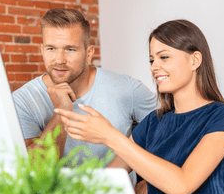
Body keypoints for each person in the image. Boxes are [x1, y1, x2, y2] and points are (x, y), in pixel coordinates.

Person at [54, 19, 224, 194]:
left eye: (164, 57)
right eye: (151, 60)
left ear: (195, 60)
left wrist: (109, 136)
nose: (154, 67)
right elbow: (107, 181)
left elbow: (181, 186)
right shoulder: (153, 122)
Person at [12, 8, 156, 164]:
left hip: (116, 188)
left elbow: (169, 133)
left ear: (89, 54)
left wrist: (149, 182)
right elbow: (34, 171)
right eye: (51, 49)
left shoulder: (127, 88)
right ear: (42, 50)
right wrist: (61, 114)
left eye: (70, 49)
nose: (59, 60)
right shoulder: (22, 101)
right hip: (59, 189)